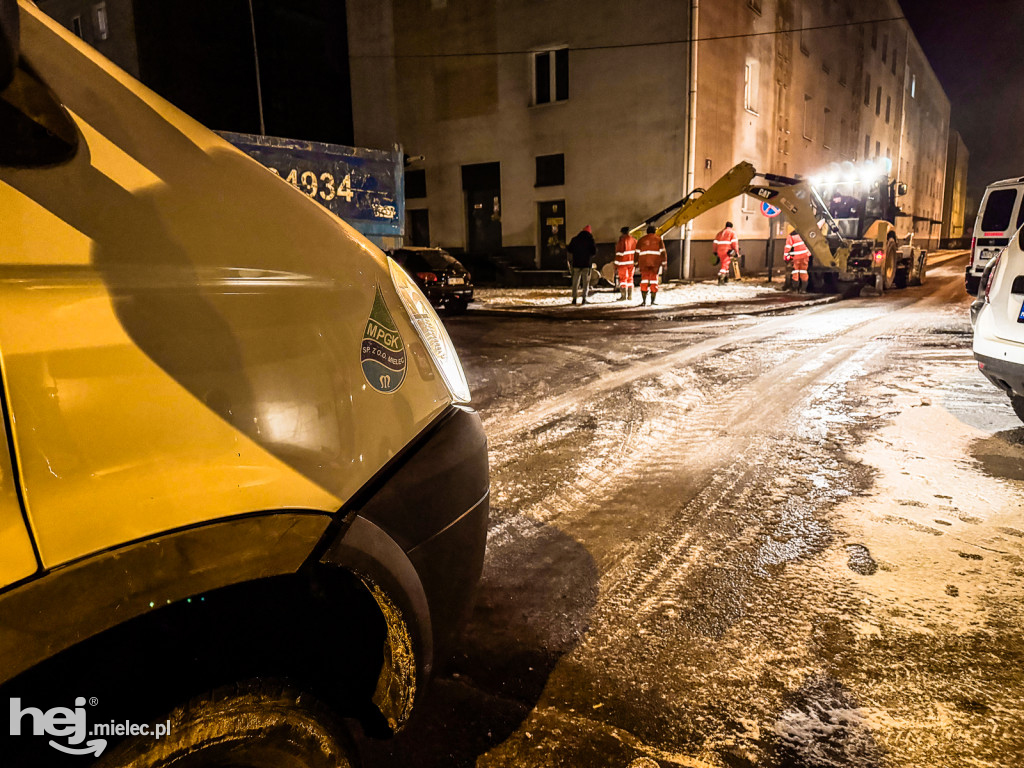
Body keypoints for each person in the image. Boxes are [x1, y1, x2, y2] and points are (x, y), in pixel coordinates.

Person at [636, 225, 667, 306]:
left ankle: (644, 301)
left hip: (643, 264)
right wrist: (664, 263)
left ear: (647, 231)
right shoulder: (658, 239)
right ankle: (653, 301)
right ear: (654, 231)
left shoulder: (641, 240)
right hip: (655, 264)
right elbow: (663, 252)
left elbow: (636, 252)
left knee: (644, 281)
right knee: (654, 281)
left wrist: (635, 262)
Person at [567, 225, 597, 305]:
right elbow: (594, 252)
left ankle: (574, 298)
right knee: (586, 282)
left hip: (576, 263)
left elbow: (569, 249)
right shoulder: (590, 240)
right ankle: (584, 298)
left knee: (575, 282)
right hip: (586, 264)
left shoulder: (575, 239)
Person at [614, 226, 638, 301]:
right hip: (631, 263)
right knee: (630, 278)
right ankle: (630, 296)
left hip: (622, 263)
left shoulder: (622, 240)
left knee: (623, 279)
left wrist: (616, 264)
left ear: (622, 232)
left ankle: (623, 296)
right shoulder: (634, 240)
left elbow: (619, 253)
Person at [714, 221, 739, 285]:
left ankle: (726, 278)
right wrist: (736, 252)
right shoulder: (732, 233)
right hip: (727, 250)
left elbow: (715, 243)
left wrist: (715, 251)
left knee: (724, 263)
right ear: (731, 226)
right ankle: (721, 278)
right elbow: (735, 243)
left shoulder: (720, 233)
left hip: (719, 250)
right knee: (725, 264)